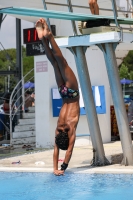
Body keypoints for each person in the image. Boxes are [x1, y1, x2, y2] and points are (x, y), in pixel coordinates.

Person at [36, 18, 80, 176]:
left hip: (72, 93)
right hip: (63, 92)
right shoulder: (57, 129)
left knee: (62, 62)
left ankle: (49, 36)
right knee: (55, 63)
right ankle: (43, 40)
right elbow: (56, 151)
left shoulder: (70, 128)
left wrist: (63, 168)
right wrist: (54, 168)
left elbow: (68, 152)